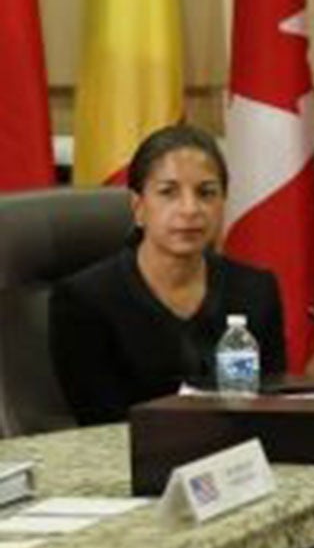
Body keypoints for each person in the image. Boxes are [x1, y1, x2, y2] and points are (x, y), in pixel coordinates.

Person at [50, 124, 288, 426]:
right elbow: (100, 424)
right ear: (138, 208)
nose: (190, 209)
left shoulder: (255, 290)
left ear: (222, 203)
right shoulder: (84, 300)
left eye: (206, 193)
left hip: (239, 462)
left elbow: (273, 405)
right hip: (129, 463)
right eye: (168, 192)